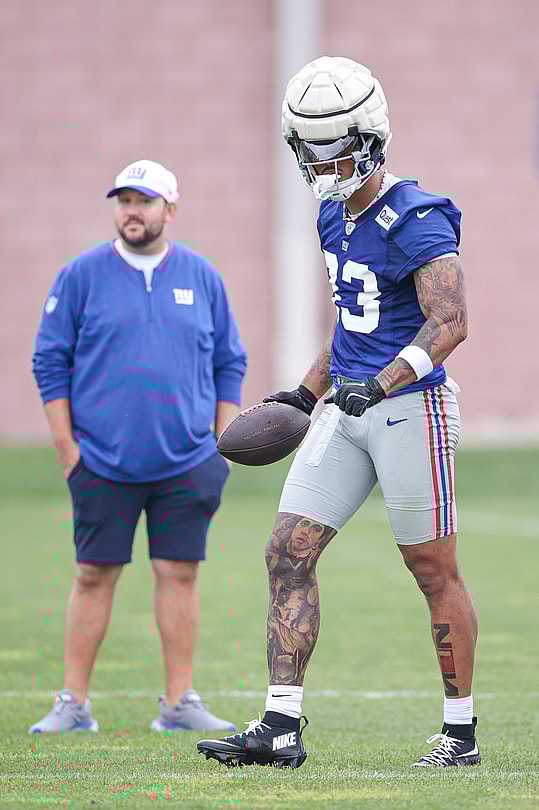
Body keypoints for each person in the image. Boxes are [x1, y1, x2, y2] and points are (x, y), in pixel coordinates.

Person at [197, 56, 479, 768]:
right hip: (347, 408)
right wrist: (304, 390)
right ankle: (280, 726)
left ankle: (459, 733)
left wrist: (378, 384)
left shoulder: (414, 216)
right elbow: (351, 323)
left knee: (430, 570)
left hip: (410, 407)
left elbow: (448, 322)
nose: (325, 166)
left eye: (338, 149)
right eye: (312, 150)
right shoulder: (331, 216)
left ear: (373, 138)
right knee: (285, 551)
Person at [31, 159, 247, 733]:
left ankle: (178, 704)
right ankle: (73, 704)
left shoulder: (202, 276)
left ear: (169, 211)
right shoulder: (81, 275)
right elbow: (50, 358)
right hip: (101, 461)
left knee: (180, 573)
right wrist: (65, 447)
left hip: (186, 462)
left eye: (144, 201)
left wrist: (220, 447)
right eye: (124, 200)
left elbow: (230, 360)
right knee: (92, 575)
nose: (132, 210)